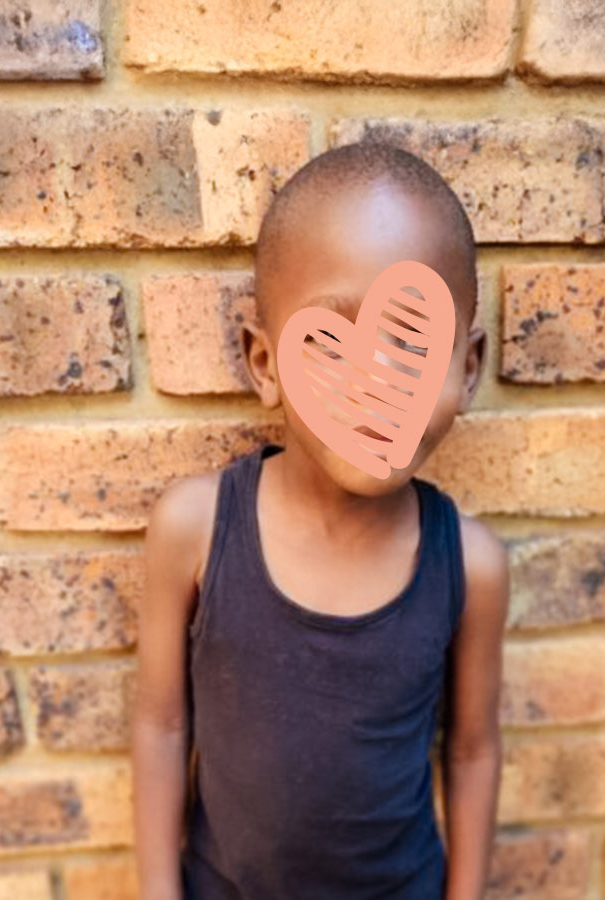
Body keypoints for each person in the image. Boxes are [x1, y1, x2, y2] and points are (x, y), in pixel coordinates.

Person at [131, 142, 508, 900]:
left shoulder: (469, 566)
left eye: (411, 344)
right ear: (265, 364)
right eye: (332, 343)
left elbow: (471, 752)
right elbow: (162, 726)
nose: (377, 387)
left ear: (467, 369)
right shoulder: (196, 531)